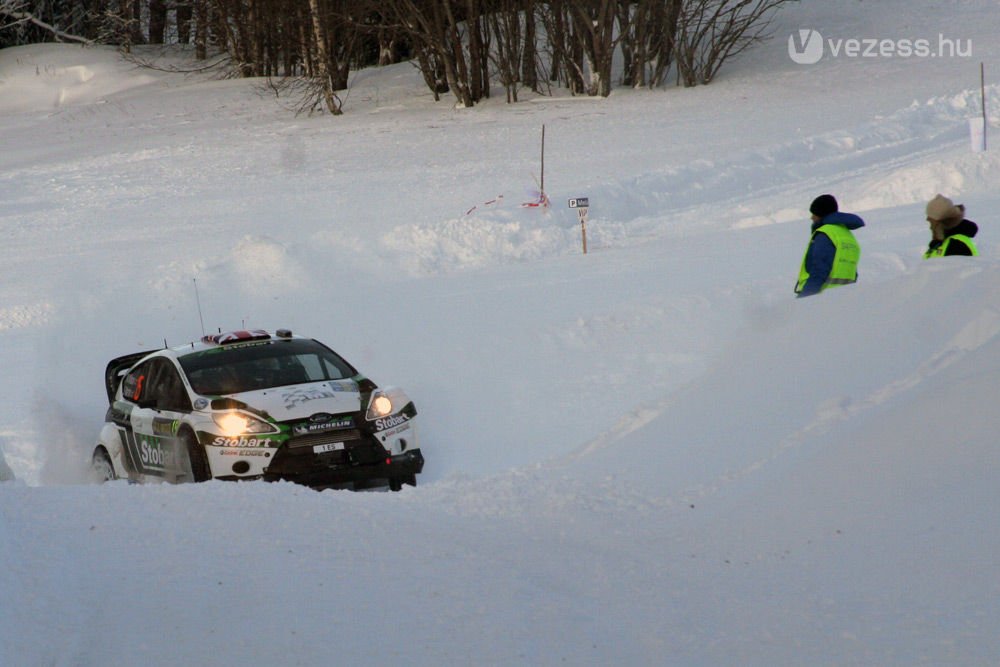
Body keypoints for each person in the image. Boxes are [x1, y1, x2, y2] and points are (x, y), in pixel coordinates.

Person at [795, 194, 865, 297]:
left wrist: (804, 299)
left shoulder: (825, 234)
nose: (812, 217)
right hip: (844, 299)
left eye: (814, 214)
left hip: (821, 299)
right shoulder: (847, 236)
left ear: (821, 214)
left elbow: (819, 271)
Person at [924, 194, 979, 258]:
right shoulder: (940, 243)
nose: (927, 219)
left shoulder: (957, 245)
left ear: (940, 222)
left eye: (931, 220)